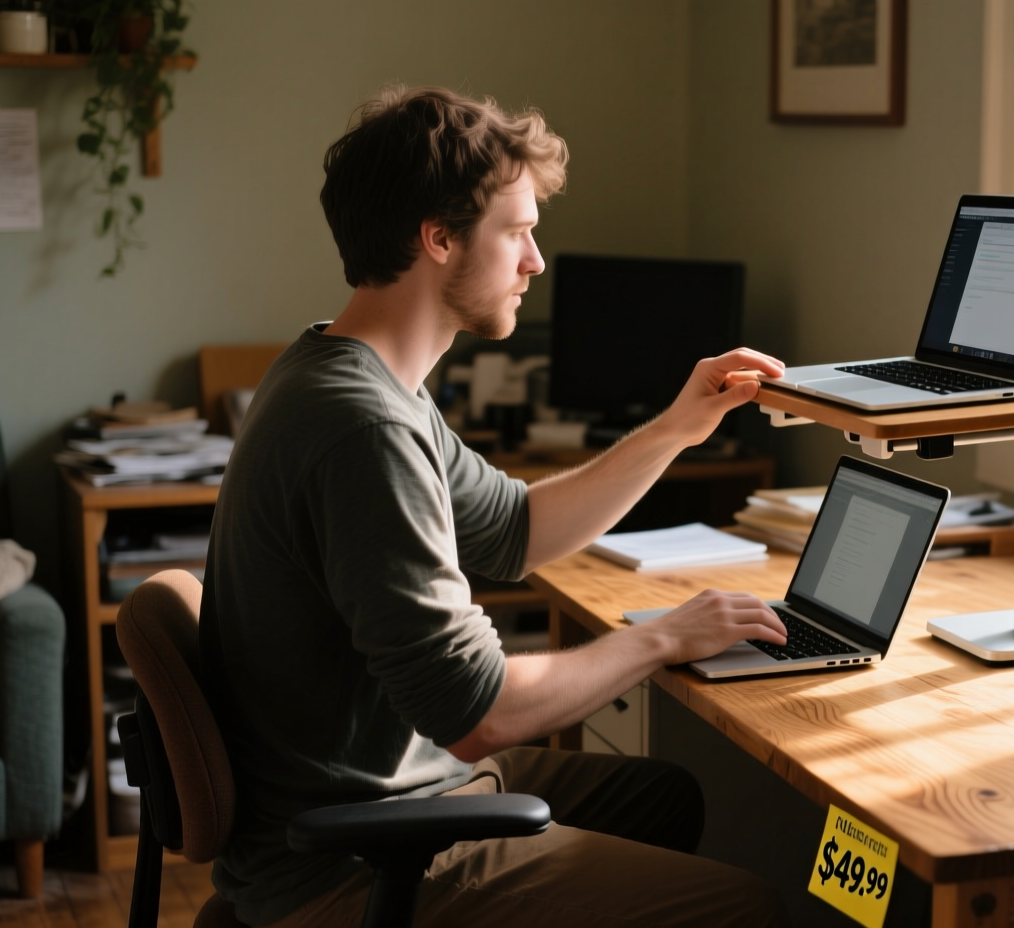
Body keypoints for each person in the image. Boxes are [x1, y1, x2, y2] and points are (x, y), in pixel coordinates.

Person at [199, 85, 792, 927]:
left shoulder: (350, 373)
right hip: (349, 858)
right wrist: (661, 636)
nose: (536, 262)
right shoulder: (362, 426)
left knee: (665, 799)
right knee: (746, 909)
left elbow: (514, 532)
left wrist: (675, 429)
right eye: (516, 232)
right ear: (437, 239)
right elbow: (481, 714)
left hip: (391, 787)